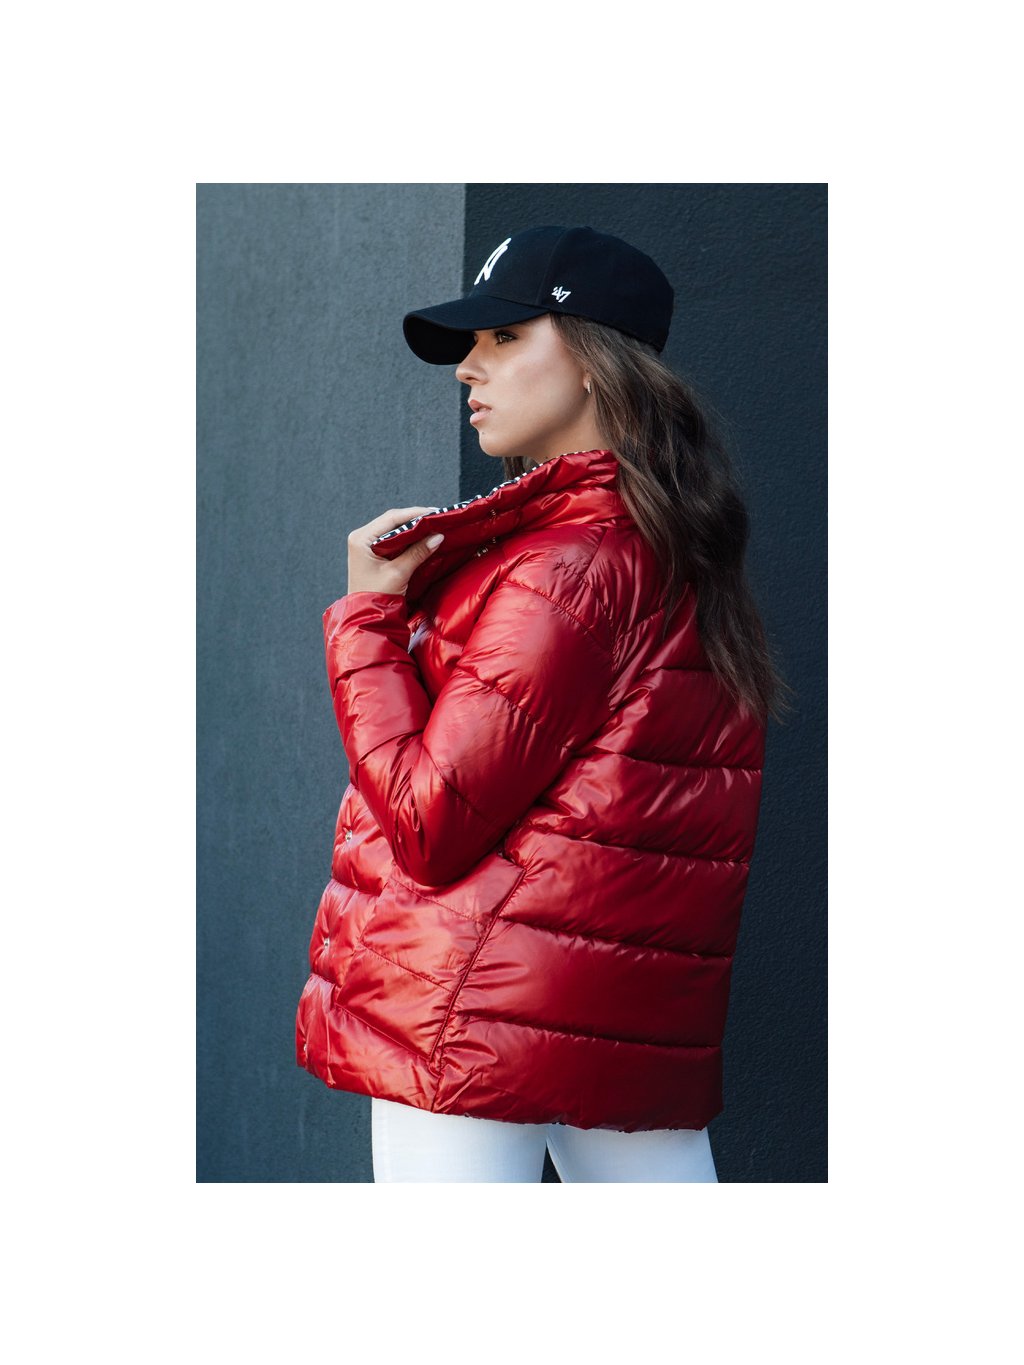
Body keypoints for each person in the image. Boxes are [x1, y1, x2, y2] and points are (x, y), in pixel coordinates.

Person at [294, 225, 789, 1182]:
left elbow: (429, 820)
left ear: (597, 361)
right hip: (610, 1011)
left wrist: (366, 620)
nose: (467, 369)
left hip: (468, 1013)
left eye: (505, 337)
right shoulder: (664, 545)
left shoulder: (567, 566)